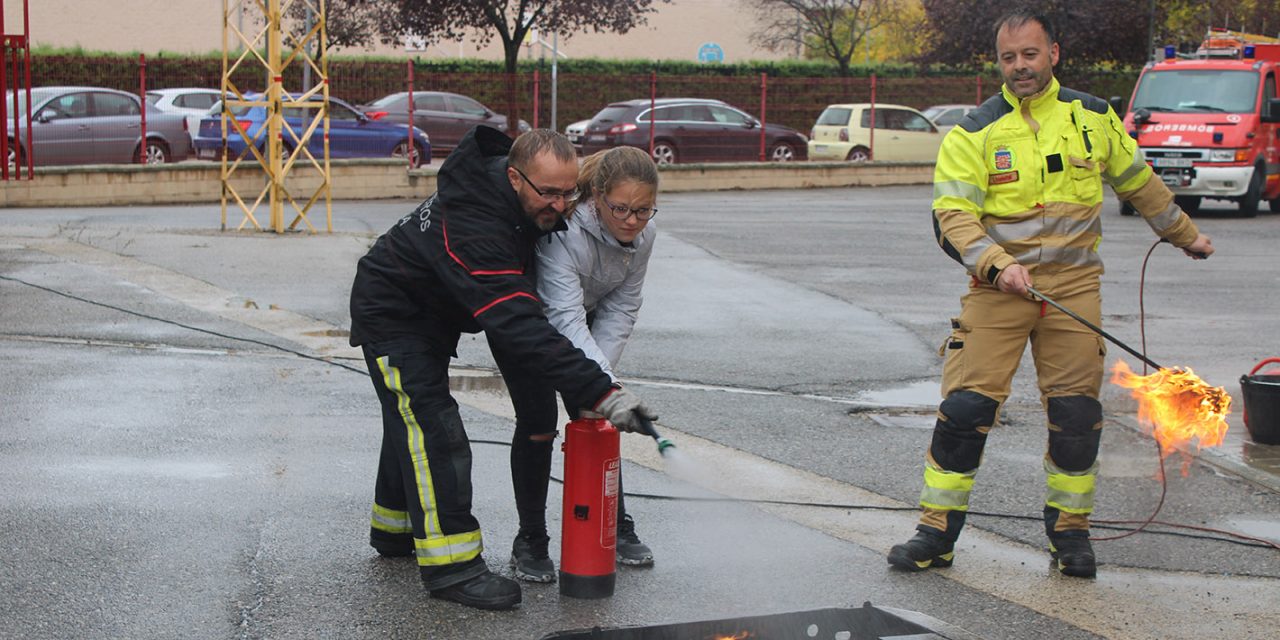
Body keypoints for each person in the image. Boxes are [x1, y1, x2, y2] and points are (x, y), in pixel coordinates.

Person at [888, 10, 1214, 579]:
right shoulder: (975, 131)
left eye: (1030, 55)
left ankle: (1071, 534)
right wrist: (998, 264)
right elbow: (952, 217)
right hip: (998, 292)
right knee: (965, 410)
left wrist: (1185, 236)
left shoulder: (1092, 117)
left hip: (1074, 290)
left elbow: (1138, 181)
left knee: (1076, 415)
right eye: (1009, 58)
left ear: (1053, 54)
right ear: (1000, 63)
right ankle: (935, 532)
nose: (1020, 67)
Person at [348, 126, 658, 611]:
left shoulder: (519, 201)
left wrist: (598, 386)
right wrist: (603, 392)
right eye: (549, 193)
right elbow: (520, 323)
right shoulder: (476, 222)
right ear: (515, 178)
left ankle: (393, 531)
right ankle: (454, 568)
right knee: (433, 430)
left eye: (567, 192)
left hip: (430, 316)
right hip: (393, 314)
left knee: (407, 420)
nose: (560, 206)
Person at [491, 146, 661, 583]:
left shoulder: (646, 234)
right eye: (620, 208)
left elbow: (623, 307)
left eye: (643, 210)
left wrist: (602, 389)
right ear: (598, 197)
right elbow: (562, 316)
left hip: (580, 317)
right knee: (538, 420)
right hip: (528, 321)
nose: (631, 220)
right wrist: (601, 384)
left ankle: (616, 527)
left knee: (594, 418)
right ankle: (530, 540)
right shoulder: (564, 232)